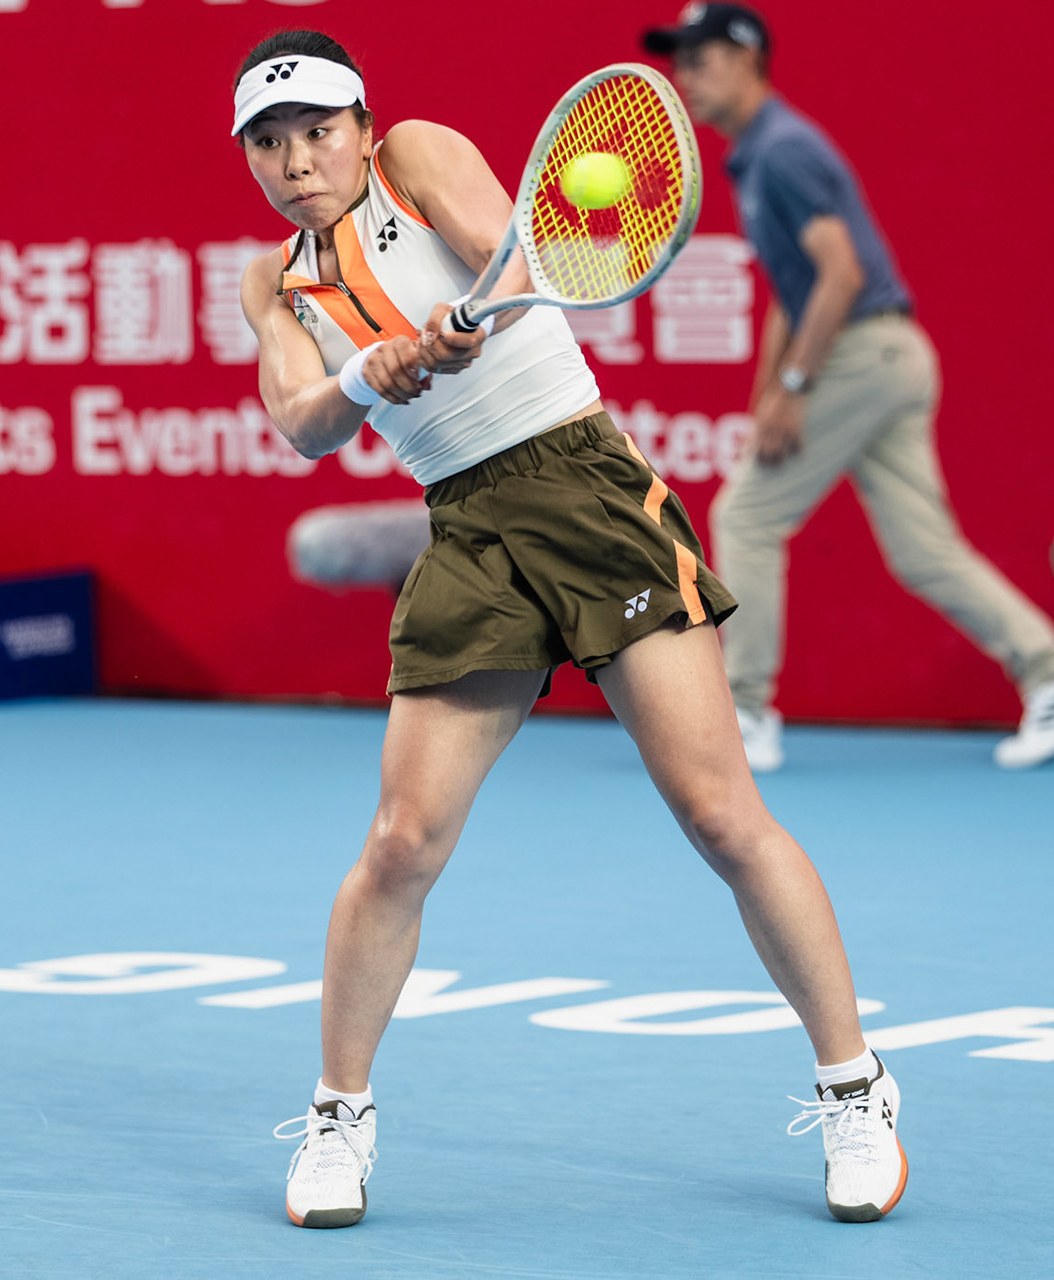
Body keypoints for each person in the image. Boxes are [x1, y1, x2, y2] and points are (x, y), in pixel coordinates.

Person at [232, 30, 907, 1228]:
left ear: (364, 128)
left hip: (583, 487)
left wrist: (460, 328)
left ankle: (856, 1086)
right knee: (401, 841)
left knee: (720, 813)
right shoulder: (271, 281)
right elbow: (300, 419)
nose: (297, 163)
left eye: (319, 132)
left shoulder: (418, 155)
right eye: (269, 143)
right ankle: (338, 1117)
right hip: (468, 529)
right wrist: (374, 371)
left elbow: (514, 255)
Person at [643, 3, 1054, 773]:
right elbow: (795, 290)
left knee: (747, 515)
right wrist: (770, 392)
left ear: (748, 60)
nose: (684, 77)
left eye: (699, 60)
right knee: (923, 550)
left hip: (861, 355)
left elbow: (841, 275)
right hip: (890, 357)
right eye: (679, 63)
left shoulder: (782, 151)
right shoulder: (761, 154)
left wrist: (795, 386)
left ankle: (747, 712)